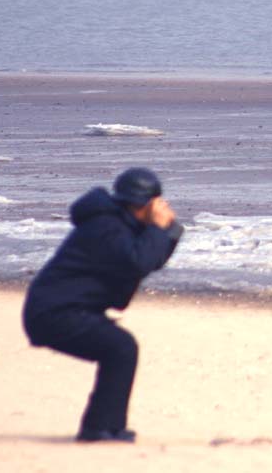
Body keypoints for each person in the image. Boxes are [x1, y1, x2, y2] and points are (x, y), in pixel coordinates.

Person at [22, 168, 184, 443]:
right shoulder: (107, 227)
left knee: (120, 349)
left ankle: (110, 428)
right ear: (146, 203)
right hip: (52, 313)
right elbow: (138, 261)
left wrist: (170, 233)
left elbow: (148, 258)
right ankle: (97, 428)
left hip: (63, 309)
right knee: (120, 348)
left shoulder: (117, 224)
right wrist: (158, 228)